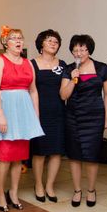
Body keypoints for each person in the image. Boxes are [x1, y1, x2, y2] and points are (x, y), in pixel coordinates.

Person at [0, 26, 44, 212]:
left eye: (20, 38)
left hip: (23, 113)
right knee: (5, 156)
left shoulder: (28, 63)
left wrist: (35, 117)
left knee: (19, 157)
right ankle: (0, 192)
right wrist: (0, 115)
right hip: (5, 109)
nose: (18, 41)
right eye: (14, 38)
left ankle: (13, 191)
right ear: (5, 43)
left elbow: (33, 91)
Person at [60, 34, 107, 208]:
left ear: (89, 50)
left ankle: (91, 190)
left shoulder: (102, 68)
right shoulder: (69, 69)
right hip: (73, 116)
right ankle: (77, 190)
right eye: (75, 50)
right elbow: (63, 95)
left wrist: (106, 118)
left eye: (82, 49)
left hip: (94, 116)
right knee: (74, 155)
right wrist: (73, 80)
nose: (79, 53)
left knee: (92, 155)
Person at [30, 29, 66, 203]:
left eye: (56, 41)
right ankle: (38, 184)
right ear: (41, 44)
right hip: (39, 112)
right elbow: (30, 90)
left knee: (56, 151)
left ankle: (50, 186)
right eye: (49, 40)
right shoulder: (32, 64)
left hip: (58, 112)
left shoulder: (63, 65)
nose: (53, 43)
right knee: (39, 152)